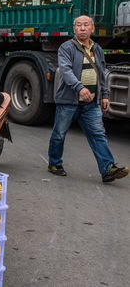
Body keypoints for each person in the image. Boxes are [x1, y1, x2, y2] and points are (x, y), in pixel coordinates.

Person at [47, 15, 128, 182]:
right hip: (69, 101)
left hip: (91, 102)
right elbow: (66, 71)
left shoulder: (97, 49)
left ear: (92, 29)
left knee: (98, 134)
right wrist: (79, 87)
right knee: (59, 134)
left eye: (86, 25)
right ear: (74, 29)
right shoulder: (66, 47)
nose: (82, 28)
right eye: (78, 25)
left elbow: (101, 74)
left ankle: (108, 169)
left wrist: (105, 95)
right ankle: (54, 163)